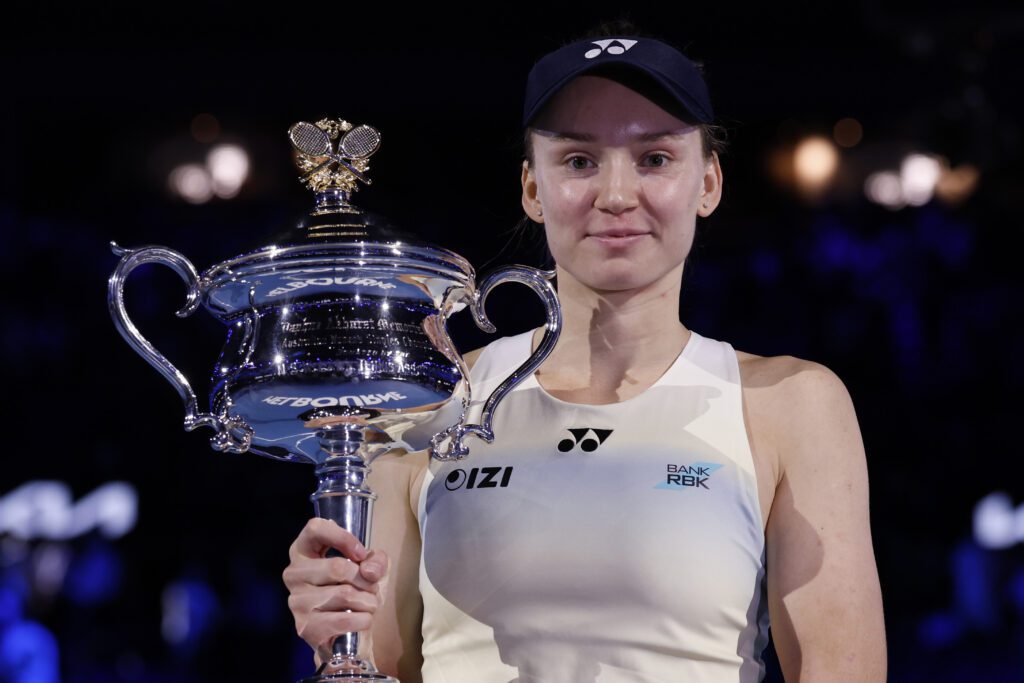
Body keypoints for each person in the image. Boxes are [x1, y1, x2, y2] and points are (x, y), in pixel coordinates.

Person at [283, 28, 887, 682]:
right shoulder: (429, 403)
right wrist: (335, 636)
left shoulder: (792, 405)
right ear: (532, 189)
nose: (617, 194)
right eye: (578, 160)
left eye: (655, 158)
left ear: (707, 183)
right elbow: (380, 668)